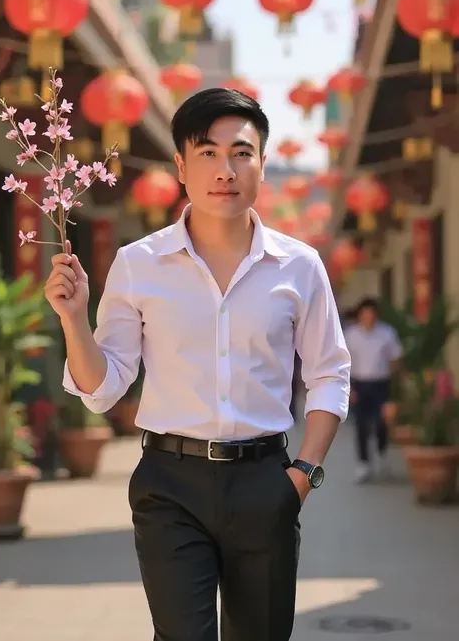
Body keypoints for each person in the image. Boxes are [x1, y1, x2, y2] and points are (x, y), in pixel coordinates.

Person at [45, 88, 351, 641]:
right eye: (207, 153)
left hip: (265, 480)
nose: (225, 169)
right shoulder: (139, 264)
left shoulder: (299, 267)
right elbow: (103, 387)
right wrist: (72, 318)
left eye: (241, 152)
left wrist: (301, 476)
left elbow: (329, 372)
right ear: (181, 167)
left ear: (262, 163)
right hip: (170, 484)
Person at [344, 297, 403, 484]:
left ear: (376, 314)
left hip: (381, 384)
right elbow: (345, 362)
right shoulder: (351, 335)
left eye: (372, 313)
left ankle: (382, 455)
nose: (368, 317)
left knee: (381, 423)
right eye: (365, 313)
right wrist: (349, 388)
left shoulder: (387, 333)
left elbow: (395, 358)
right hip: (359, 384)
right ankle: (363, 464)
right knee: (360, 424)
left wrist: (395, 386)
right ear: (360, 315)